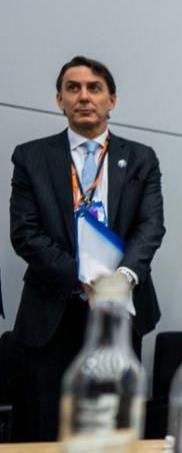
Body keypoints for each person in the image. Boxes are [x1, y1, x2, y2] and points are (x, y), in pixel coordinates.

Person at [9, 55, 165, 441]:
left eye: (94, 88)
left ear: (112, 100)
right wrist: (84, 281)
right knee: (46, 428)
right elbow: (25, 233)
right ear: (58, 100)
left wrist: (120, 280)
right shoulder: (31, 156)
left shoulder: (142, 157)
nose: (83, 96)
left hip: (121, 309)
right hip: (52, 309)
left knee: (114, 426)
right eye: (73, 88)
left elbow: (150, 226)